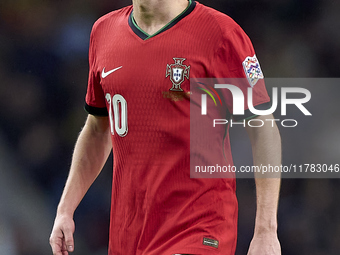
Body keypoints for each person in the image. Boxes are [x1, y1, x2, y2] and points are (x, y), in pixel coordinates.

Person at [49, 0, 281, 254]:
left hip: (199, 229)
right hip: (129, 236)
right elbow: (98, 128)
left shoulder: (220, 32)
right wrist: (65, 209)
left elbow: (262, 127)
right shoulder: (103, 32)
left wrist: (266, 231)